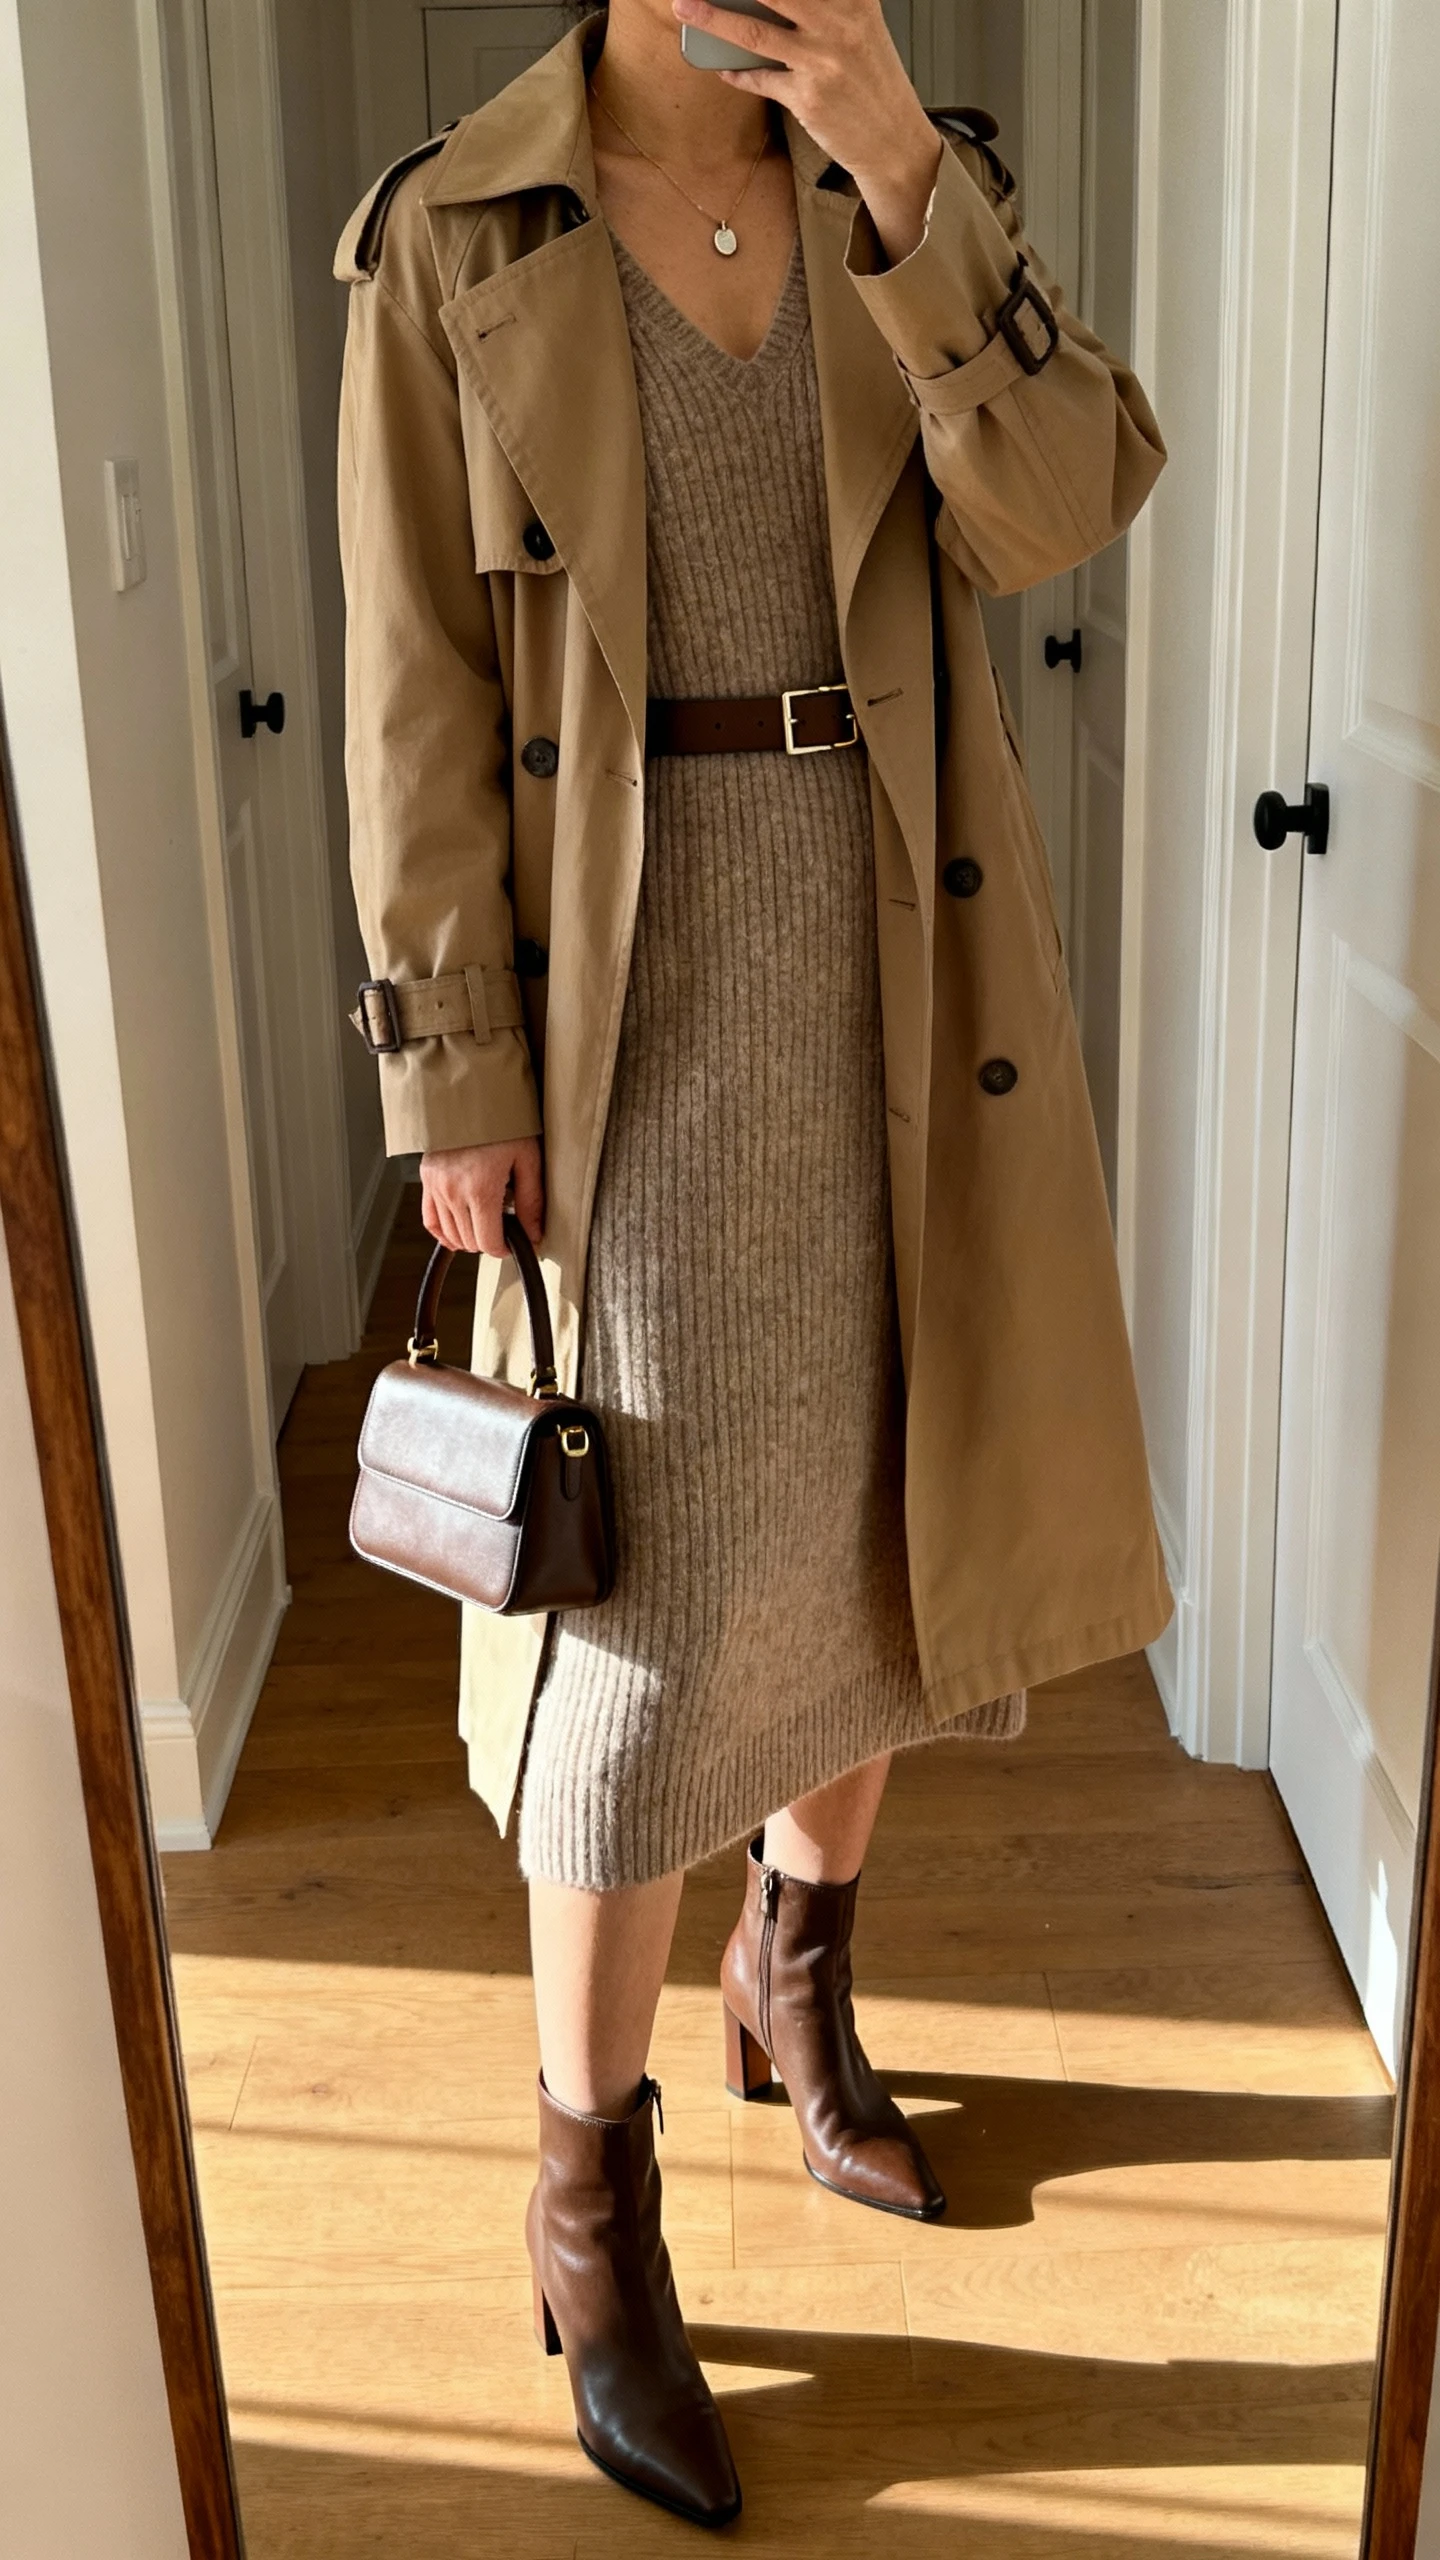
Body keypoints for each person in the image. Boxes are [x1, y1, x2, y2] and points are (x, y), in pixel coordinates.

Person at [336, 0, 1170, 2525]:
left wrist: (906, 170)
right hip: (623, 1030)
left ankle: (798, 1967)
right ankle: (590, 2202)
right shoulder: (448, 233)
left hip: (902, 981)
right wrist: (451, 1074)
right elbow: (411, 692)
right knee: (630, 1644)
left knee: (873, 1547)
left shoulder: (907, 186)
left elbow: (1061, 504)